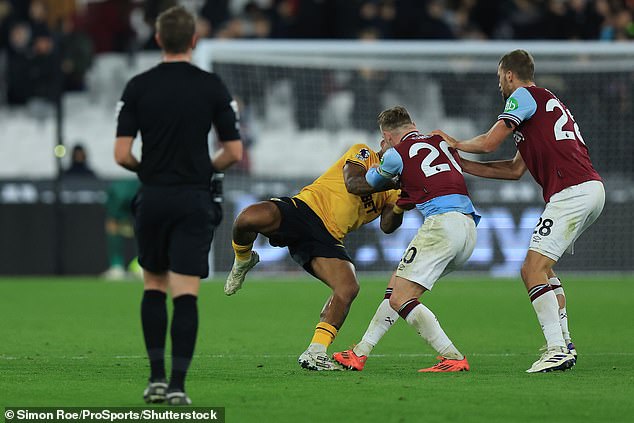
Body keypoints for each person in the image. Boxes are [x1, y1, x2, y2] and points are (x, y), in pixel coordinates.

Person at [431, 49, 604, 373]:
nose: (499, 85)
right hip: (589, 189)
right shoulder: (542, 106)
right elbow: (513, 169)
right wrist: (464, 165)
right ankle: (564, 343)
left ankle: (556, 349)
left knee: (531, 270)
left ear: (509, 75)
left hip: (573, 190)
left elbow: (488, 143)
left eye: (500, 77)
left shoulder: (523, 96)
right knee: (544, 270)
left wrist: (452, 142)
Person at [114, 6, 243, 405]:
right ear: (193, 40)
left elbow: (121, 154)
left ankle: (154, 379)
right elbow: (234, 151)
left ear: (157, 40)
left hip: (153, 197)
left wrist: (149, 171)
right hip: (192, 198)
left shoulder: (137, 85)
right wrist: (202, 169)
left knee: (153, 284)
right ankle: (177, 387)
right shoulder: (211, 86)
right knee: (185, 292)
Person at [225, 142, 403, 371]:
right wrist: (390, 181)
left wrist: (400, 205)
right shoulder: (364, 153)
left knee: (347, 288)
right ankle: (243, 260)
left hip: (327, 237)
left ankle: (315, 352)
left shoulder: (396, 191)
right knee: (248, 218)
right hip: (305, 209)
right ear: (384, 142)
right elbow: (353, 184)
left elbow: (387, 227)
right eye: (394, 142)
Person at [332, 106, 480, 373]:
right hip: (469, 227)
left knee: (401, 299)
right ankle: (359, 353)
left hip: (441, 226)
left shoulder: (395, 154)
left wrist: (381, 164)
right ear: (413, 124)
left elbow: (364, 184)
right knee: (396, 288)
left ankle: (452, 356)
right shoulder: (440, 142)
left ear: (387, 136)